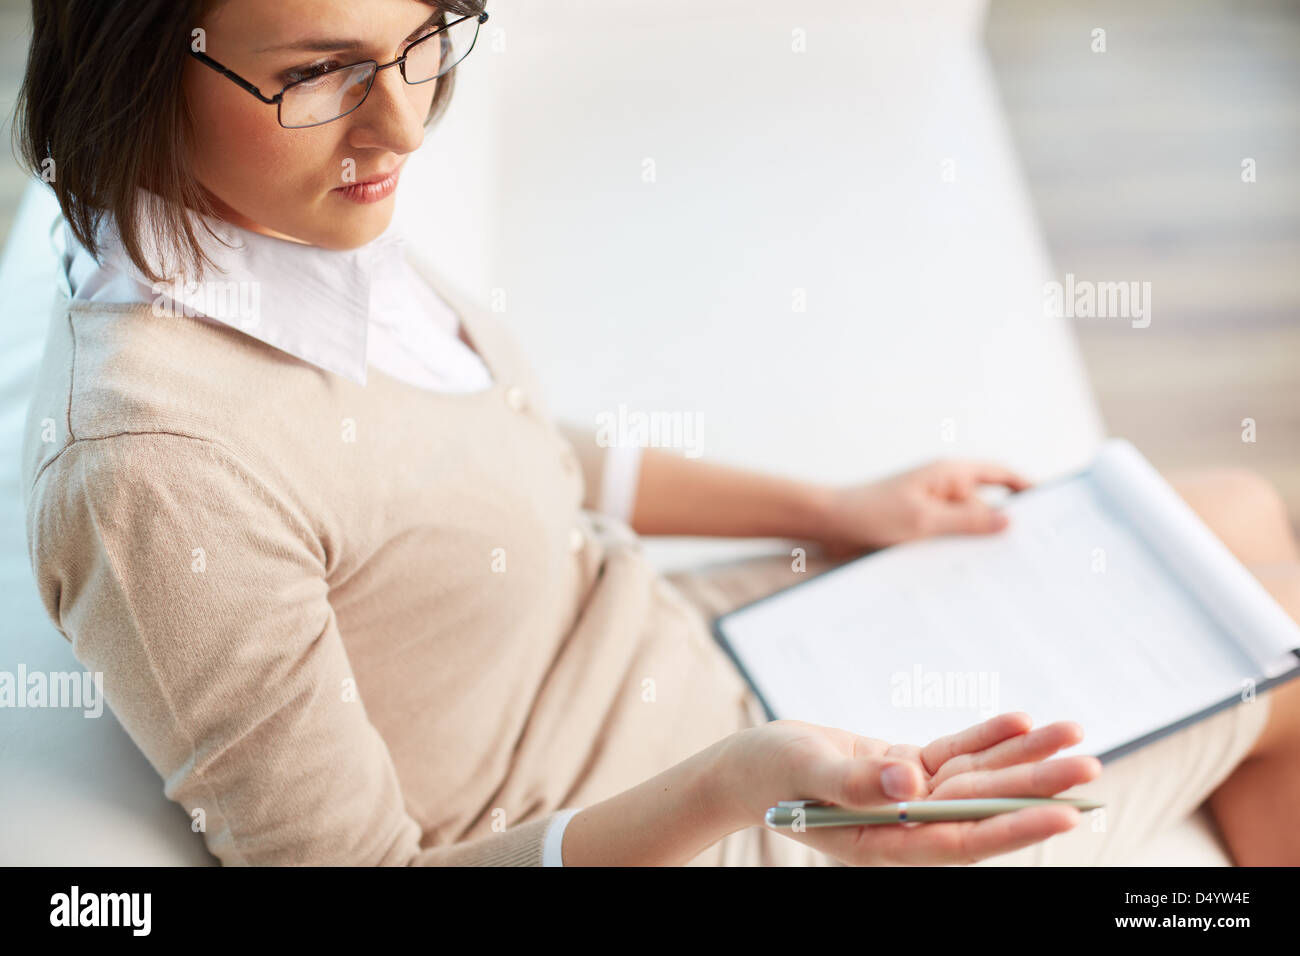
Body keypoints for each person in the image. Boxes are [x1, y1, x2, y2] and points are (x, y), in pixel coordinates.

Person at [14, 0, 1300, 866]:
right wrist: (738, 784)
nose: (402, 123)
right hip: (712, 818)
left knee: (1235, 511)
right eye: (316, 74)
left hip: (707, 650)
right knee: (1278, 637)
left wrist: (838, 509)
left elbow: (501, 442)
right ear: (136, 62)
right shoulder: (157, 473)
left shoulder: (266, 221)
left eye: (421, 41)